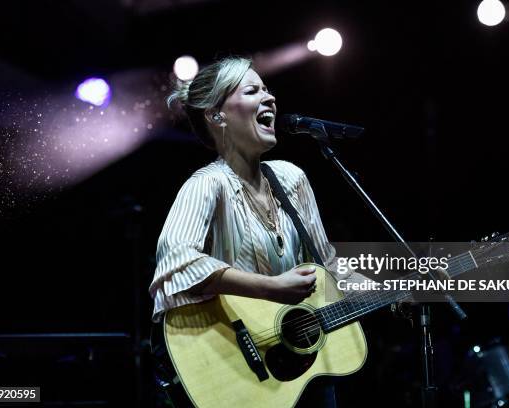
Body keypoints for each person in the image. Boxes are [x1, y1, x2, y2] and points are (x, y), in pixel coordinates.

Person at [148, 56, 358, 407]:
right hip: (233, 367)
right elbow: (177, 262)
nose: (270, 98)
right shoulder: (207, 185)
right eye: (252, 90)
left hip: (299, 370)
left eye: (267, 89)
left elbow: (329, 267)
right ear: (216, 116)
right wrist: (272, 288)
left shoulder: (291, 180)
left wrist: (408, 287)